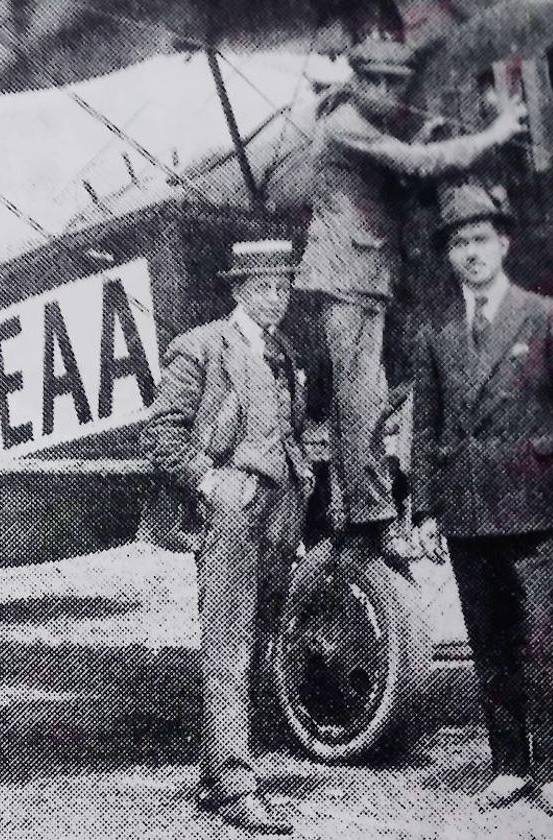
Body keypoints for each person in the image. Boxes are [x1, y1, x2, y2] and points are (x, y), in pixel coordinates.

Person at [296, 35, 529, 561]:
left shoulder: (353, 123)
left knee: (370, 396)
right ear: (355, 79)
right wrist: (492, 135)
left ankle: (368, 509)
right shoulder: (346, 125)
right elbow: (417, 164)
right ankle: (370, 519)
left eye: (394, 84)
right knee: (359, 400)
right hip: (347, 273)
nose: (385, 92)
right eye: (375, 81)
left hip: (365, 274)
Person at [410, 183, 553, 815]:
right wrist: (428, 510)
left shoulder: (549, 317)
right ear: (448, 255)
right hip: (467, 511)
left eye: (481, 240)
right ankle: (509, 763)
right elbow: (426, 427)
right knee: (486, 640)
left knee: (541, 638)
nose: (470, 254)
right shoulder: (436, 334)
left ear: (504, 243)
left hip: (536, 508)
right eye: (459, 244)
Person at [142, 240, 312, 836]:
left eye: (285, 287)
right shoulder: (200, 347)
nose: (278, 298)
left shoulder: (284, 352)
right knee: (228, 642)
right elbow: (161, 433)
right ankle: (238, 785)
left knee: (263, 634)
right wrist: (210, 480)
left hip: (281, 507)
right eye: (265, 287)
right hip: (232, 510)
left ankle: (222, 775)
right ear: (239, 290)